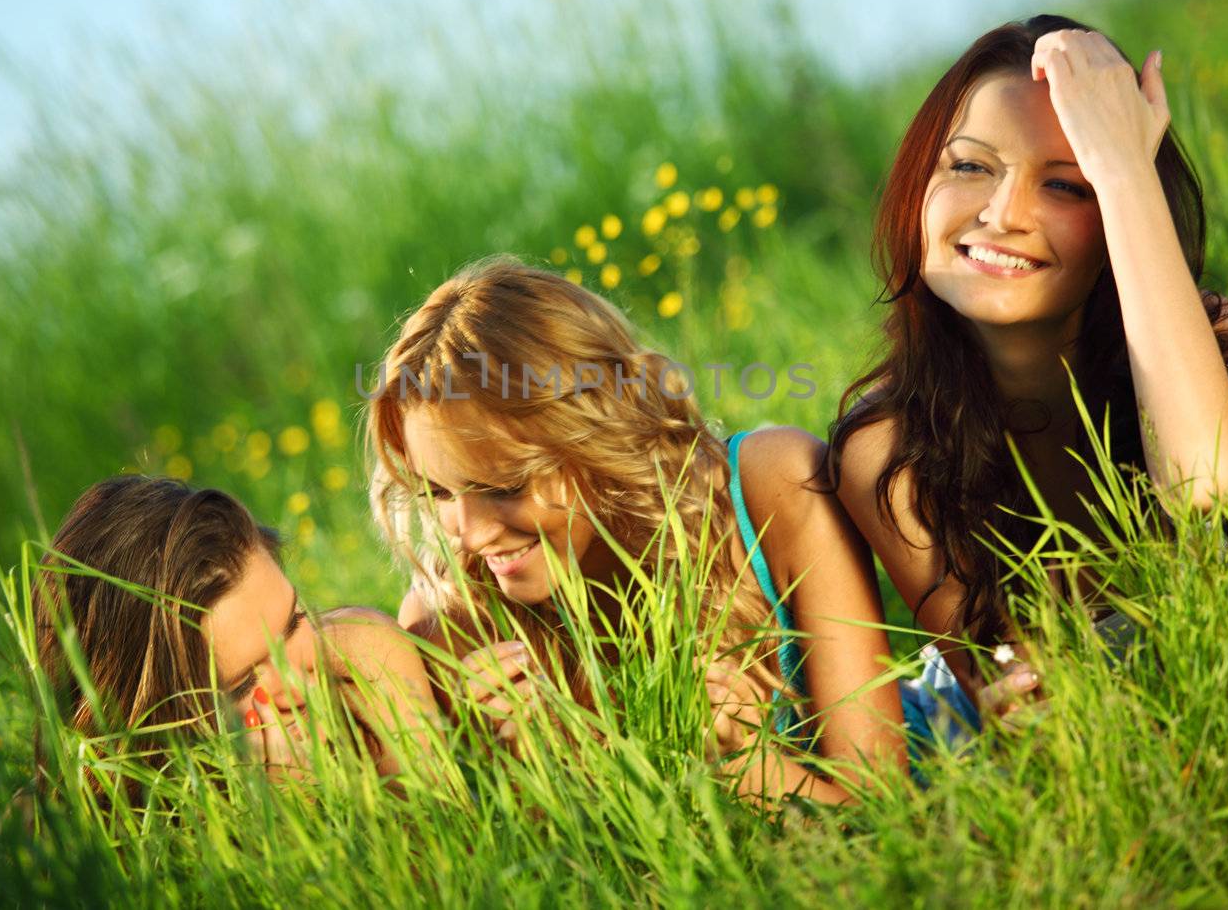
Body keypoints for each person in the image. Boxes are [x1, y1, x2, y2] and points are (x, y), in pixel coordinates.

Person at [825, 15, 1228, 705]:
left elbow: (1200, 483)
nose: (1002, 213)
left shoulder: (1212, 335)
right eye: (969, 165)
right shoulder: (885, 445)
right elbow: (1008, 689)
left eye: (1066, 184)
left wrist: (1122, 167)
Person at [365, 256, 983, 804]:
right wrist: (535, 772)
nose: (470, 535)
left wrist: (746, 770)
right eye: (438, 492)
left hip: (951, 757)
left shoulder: (772, 491)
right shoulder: (453, 621)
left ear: (597, 433)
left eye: (503, 487)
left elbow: (884, 803)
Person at [32, 475, 443, 804]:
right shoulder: (81, 824)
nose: (298, 685)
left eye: (294, 623)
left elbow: (444, 855)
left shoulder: (367, 659)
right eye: (245, 683)